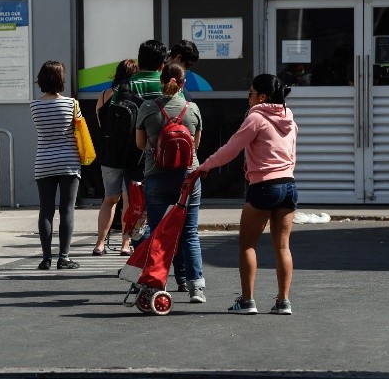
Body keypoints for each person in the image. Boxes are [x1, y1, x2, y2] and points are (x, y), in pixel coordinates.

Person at [197, 74, 297, 315]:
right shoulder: (289, 118)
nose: (248, 97)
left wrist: (205, 166)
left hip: (263, 186)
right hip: (289, 186)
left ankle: (247, 301)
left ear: (262, 96)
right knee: (282, 246)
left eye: (250, 92)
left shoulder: (256, 118)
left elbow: (231, 148)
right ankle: (283, 302)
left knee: (247, 245)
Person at [135, 62, 206, 303]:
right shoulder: (192, 108)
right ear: (183, 83)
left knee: (159, 234)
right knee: (189, 234)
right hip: (188, 178)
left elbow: (139, 144)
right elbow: (195, 146)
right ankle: (196, 287)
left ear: (160, 80)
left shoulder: (147, 107)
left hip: (156, 175)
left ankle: (157, 284)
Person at [29, 60, 80, 270]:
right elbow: (79, 131)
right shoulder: (71, 104)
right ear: (61, 79)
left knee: (46, 210)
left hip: (44, 161)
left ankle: (46, 258)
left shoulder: (34, 105)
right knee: (67, 209)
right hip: (69, 161)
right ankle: (64, 257)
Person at [92, 59, 139, 257]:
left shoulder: (104, 95)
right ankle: (125, 244)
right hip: (131, 154)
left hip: (109, 154)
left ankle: (100, 244)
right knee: (128, 199)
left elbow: (101, 124)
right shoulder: (137, 96)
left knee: (109, 199)